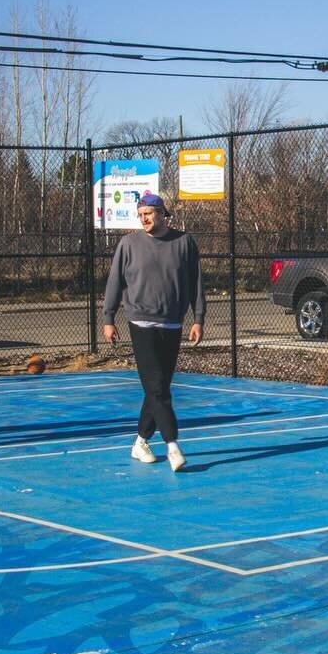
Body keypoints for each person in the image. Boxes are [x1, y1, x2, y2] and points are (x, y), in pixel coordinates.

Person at [101, 193, 205, 472]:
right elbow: (114, 282)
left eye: (149, 213)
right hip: (140, 323)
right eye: (140, 214)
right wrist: (109, 317)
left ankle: (140, 441)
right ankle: (173, 446)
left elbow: (195, 282)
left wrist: (198, 317)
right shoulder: (129, 244)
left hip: (172, 323)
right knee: (158, 389)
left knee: (157, 389)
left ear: (162, 214)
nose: (144, 218)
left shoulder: (184, 242)